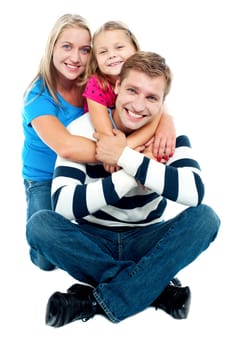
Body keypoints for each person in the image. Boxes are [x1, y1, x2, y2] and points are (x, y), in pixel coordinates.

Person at [26, 51, 220, 328]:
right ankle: (153, 287)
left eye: (152, 97)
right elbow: (64, 205)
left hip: (146, 238)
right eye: (132, 90)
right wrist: (134, 171)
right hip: (94, 240)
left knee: (206, 219)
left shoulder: (166, 137)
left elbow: (194, 192)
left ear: (163, 103)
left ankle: (93, 301)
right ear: (116, 87)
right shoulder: (81, 130)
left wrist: (125, 157)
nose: (139, 105)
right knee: (40, 225)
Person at [21, 14, 176, 223]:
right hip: (45, 178)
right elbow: (66, 147)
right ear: (52, 48)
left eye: (85, 50)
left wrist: (166, 119)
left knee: (87, 239)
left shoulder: (92, 82)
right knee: (46, 233)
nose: (76, 58)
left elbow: (147, 102)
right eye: (67, 46)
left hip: (87, 171)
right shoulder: (37, 97)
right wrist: (122, 153)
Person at [82, 21, 174, 172]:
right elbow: (104, 133)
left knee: (154, 143)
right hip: (103, 137)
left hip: (130, 136)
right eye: (103, 52)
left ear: (135, 49)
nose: (112, 55)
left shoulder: (148, 79)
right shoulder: (96, 84)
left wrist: (125, 149)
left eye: (119, 47)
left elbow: (157, 113)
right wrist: (116, 151)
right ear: (95, 60)